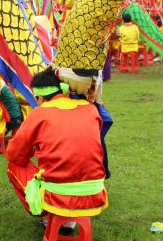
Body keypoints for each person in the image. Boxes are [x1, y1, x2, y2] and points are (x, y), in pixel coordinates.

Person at [6, 68, 108, 222]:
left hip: (56, 197)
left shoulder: (39, 113)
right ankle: (70, 223)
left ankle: (48, 217)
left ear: (40, 97)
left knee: (14, 165)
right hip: (95, 193)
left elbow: (15, 154)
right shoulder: (90, 109)